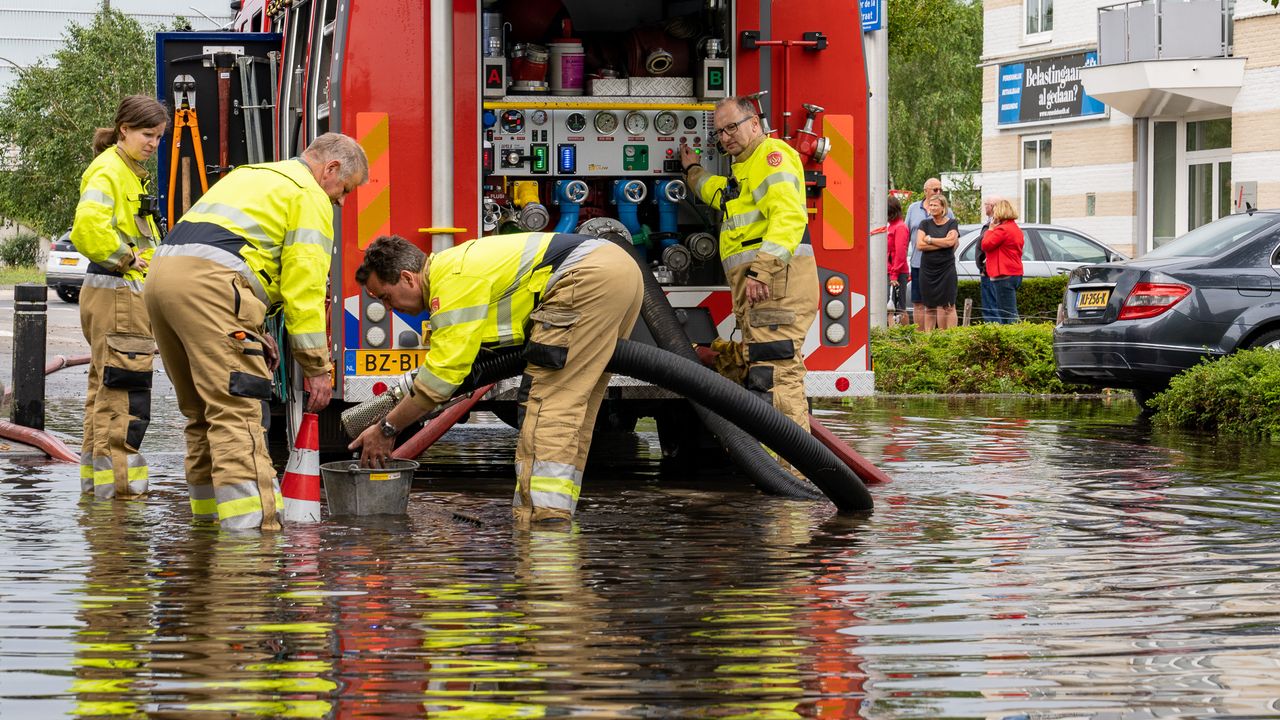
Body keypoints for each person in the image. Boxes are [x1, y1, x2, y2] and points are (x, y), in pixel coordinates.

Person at [144, 132, 369, 530]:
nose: (341, 202)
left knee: (201, 413)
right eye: (344, 191)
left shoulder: (254, 175)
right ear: (330, 169)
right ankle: (250, 540)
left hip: (163, 280)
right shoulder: (309, 196)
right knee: (237, 414)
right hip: (212, 288)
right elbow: (305, 291)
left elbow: (239, 249)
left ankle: (206, 528)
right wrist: (317, 367)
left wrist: (255, 327)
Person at [348, 233, 643, 523]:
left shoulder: (451, 280)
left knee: (549, 410)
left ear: (408, 278)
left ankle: (545, 532)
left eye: (386, 297)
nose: (388, 308)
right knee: (575, 410)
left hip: (587, 278)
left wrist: (387, 428)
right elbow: (459, 367)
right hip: (619, 272)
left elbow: (440, 380)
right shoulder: (458, 266)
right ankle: (557, 517)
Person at [678, 96, 818, 451]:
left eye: (732, 127)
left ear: (754, 123)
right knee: (760, 369)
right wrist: (693, 171)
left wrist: (761, 272)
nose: (725, 137)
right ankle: (779, 473)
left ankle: (789, 478)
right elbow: (721, 195)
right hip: (764, 291)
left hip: (775, 288)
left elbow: (789, 217)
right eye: (720, 133)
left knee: (775, 378)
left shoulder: (771, 157)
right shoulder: (744, 169)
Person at [70, 95, 169, 500]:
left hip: (114, 294)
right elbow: (87, 230)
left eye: (159, 137)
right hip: (118, 296)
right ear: (124, 129)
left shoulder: (126, 172)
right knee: (124, 396)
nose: (153, 144)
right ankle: (122, 502)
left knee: (105, 393)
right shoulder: (110, 171)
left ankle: (100, 494)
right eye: (148, 134)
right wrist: (129, 259)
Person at [904, 178, 953, 324]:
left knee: (940, 303)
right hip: (918, 263)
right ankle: (921, 340)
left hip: (940, 265)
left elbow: (953, 241)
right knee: (919, 303)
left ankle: (940, 339)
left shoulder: (948, 212)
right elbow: (907, 237)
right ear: (925, 191)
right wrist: (902, 261)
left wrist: (931, 243)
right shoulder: (913, 209)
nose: (938, 192)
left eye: (940, 190)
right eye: (935, 190)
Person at [915, 195, 960, 331]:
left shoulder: (952, 223)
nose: (932, 208)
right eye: (931, 205)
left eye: (935, 205)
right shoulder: (925, 223)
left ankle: (951, 338)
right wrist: (943, 243)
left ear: (943, 207)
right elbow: (919, 245)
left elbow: (952, 241)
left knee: (949, 306)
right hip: (928, 270)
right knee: (929, 307)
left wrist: (930, 240)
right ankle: (929, 340)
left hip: (946, 269)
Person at [980, 199, 1025, 323]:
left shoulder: (1002, 230)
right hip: (1014, 272)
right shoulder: (1015, 228)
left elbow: (985, 245)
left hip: (1004, 274)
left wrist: (990, 229)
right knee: (1008, 311)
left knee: (1008, 314)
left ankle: (1015, 339)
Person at [975, 195, 1003, 323]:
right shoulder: (991, 224)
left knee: (991, 308)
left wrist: (983, 267)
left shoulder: (995, 225)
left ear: (992, 207)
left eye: (986, 204)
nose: (984, 207)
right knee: (993, 306)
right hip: (990, 270)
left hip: (991, 271)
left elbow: (986, 245)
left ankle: (995, 335)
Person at [886, 195, 909, 326]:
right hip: (890, 271)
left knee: (899, 307)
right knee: (890, 307)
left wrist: (894, 274)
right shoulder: (891, 226)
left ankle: (906, 334)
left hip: (897, 272)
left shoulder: (899, 227)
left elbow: (900, 253)